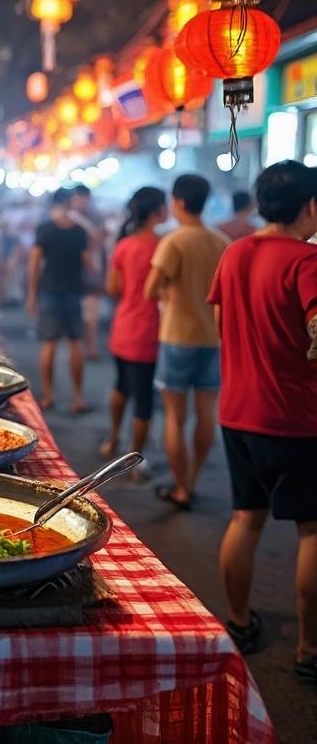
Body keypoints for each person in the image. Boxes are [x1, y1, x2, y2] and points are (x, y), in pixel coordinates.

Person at [207, 161, 317, 680]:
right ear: (309, 205)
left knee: (245, 517)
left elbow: (222, 325)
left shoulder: (235, 253)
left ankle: (237, 621)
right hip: (297, 418)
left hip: (238, 412)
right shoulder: (306, 261)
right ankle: (310, 649)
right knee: (312, 531)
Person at [145, 173, 227, 510]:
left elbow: (150, 290)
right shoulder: (222, 242)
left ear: (178, 201)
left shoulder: (174, 242)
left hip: (178, 337)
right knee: (206, 412)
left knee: (175, 417)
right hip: (212, 338)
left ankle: (181, 488)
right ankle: (191, 478)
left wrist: (170, 293)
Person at [100, 186, 167, 475]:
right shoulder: (162, 246)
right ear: (155, 213)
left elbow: (111, 288)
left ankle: (113, 438)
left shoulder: (124, 245)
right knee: (144, 397)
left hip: (123, 326)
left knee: (121, 385)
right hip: (148, 329)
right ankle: (133, 458)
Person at [26, 187, 91, 413]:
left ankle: (48, 396)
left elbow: (34, 262)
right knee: (76, 345)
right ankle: (78, 398)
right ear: (71, 203)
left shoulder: (46, 229)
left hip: (49, 292)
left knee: (49, 345)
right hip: (73, 292)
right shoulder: (79, 231)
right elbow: (88, 262)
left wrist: (32, 294)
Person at [70, 184, 106, 359]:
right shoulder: (68, 218)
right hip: (73, 271)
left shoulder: (94, 217)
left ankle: (90, 347)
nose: (81, 202)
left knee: (91, 313)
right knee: (81, 312)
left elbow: (100, 239)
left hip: (90, 271)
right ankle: (82, 346)